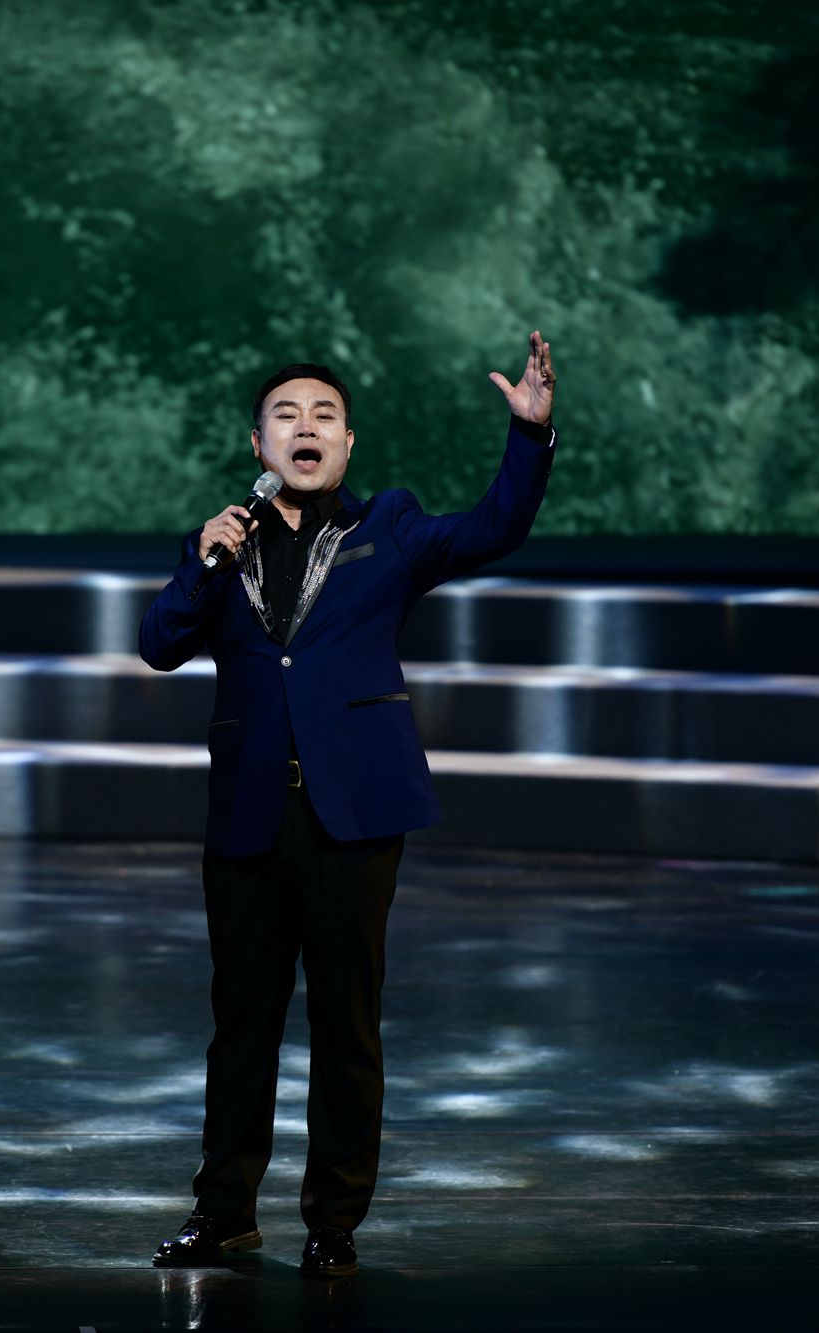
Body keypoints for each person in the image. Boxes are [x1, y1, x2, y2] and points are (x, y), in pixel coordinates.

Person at [139, 334, 559, 1278]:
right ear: (258, 444)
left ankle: (333, 1222)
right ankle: (224, 1212)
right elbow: (158, 644)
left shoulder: (390, 528)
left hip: (353, 815)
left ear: (347, 442)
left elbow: (494, 526)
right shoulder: (223, 544)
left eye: (324, 415)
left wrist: (529, 435)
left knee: (346, 1023)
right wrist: (202, 562)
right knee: (241, 1023)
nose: (307, 427)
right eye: (287, 415)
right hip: (248, 815)